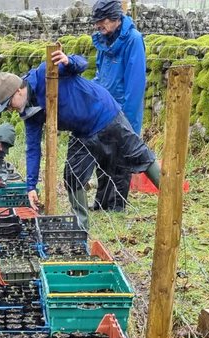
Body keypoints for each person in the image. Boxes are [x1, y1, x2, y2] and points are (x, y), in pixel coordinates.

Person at [9, 47, 160, 231]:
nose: (10, 110)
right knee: (72, 176)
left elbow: (81, 63)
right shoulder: (30, 113)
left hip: (105, 113)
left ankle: (172, 199)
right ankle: (81, 228)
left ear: (18, 91)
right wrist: (31, 186)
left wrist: (68, 61)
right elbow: (33, 149)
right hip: (81, 132)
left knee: (140, 155)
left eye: (8, 104)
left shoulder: (46, 72)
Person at [91, 0, 147, 211]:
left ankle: (117, 205)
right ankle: (101, 202)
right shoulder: (103, 42)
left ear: (115, 18)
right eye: (97, 22)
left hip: (123, 111)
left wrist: (127, 121)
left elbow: (135, 85)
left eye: (102, 21)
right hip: (103, 111)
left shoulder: (133, 40)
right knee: (103, 156)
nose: (98, 26)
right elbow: (99, 75)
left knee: (121, 159)